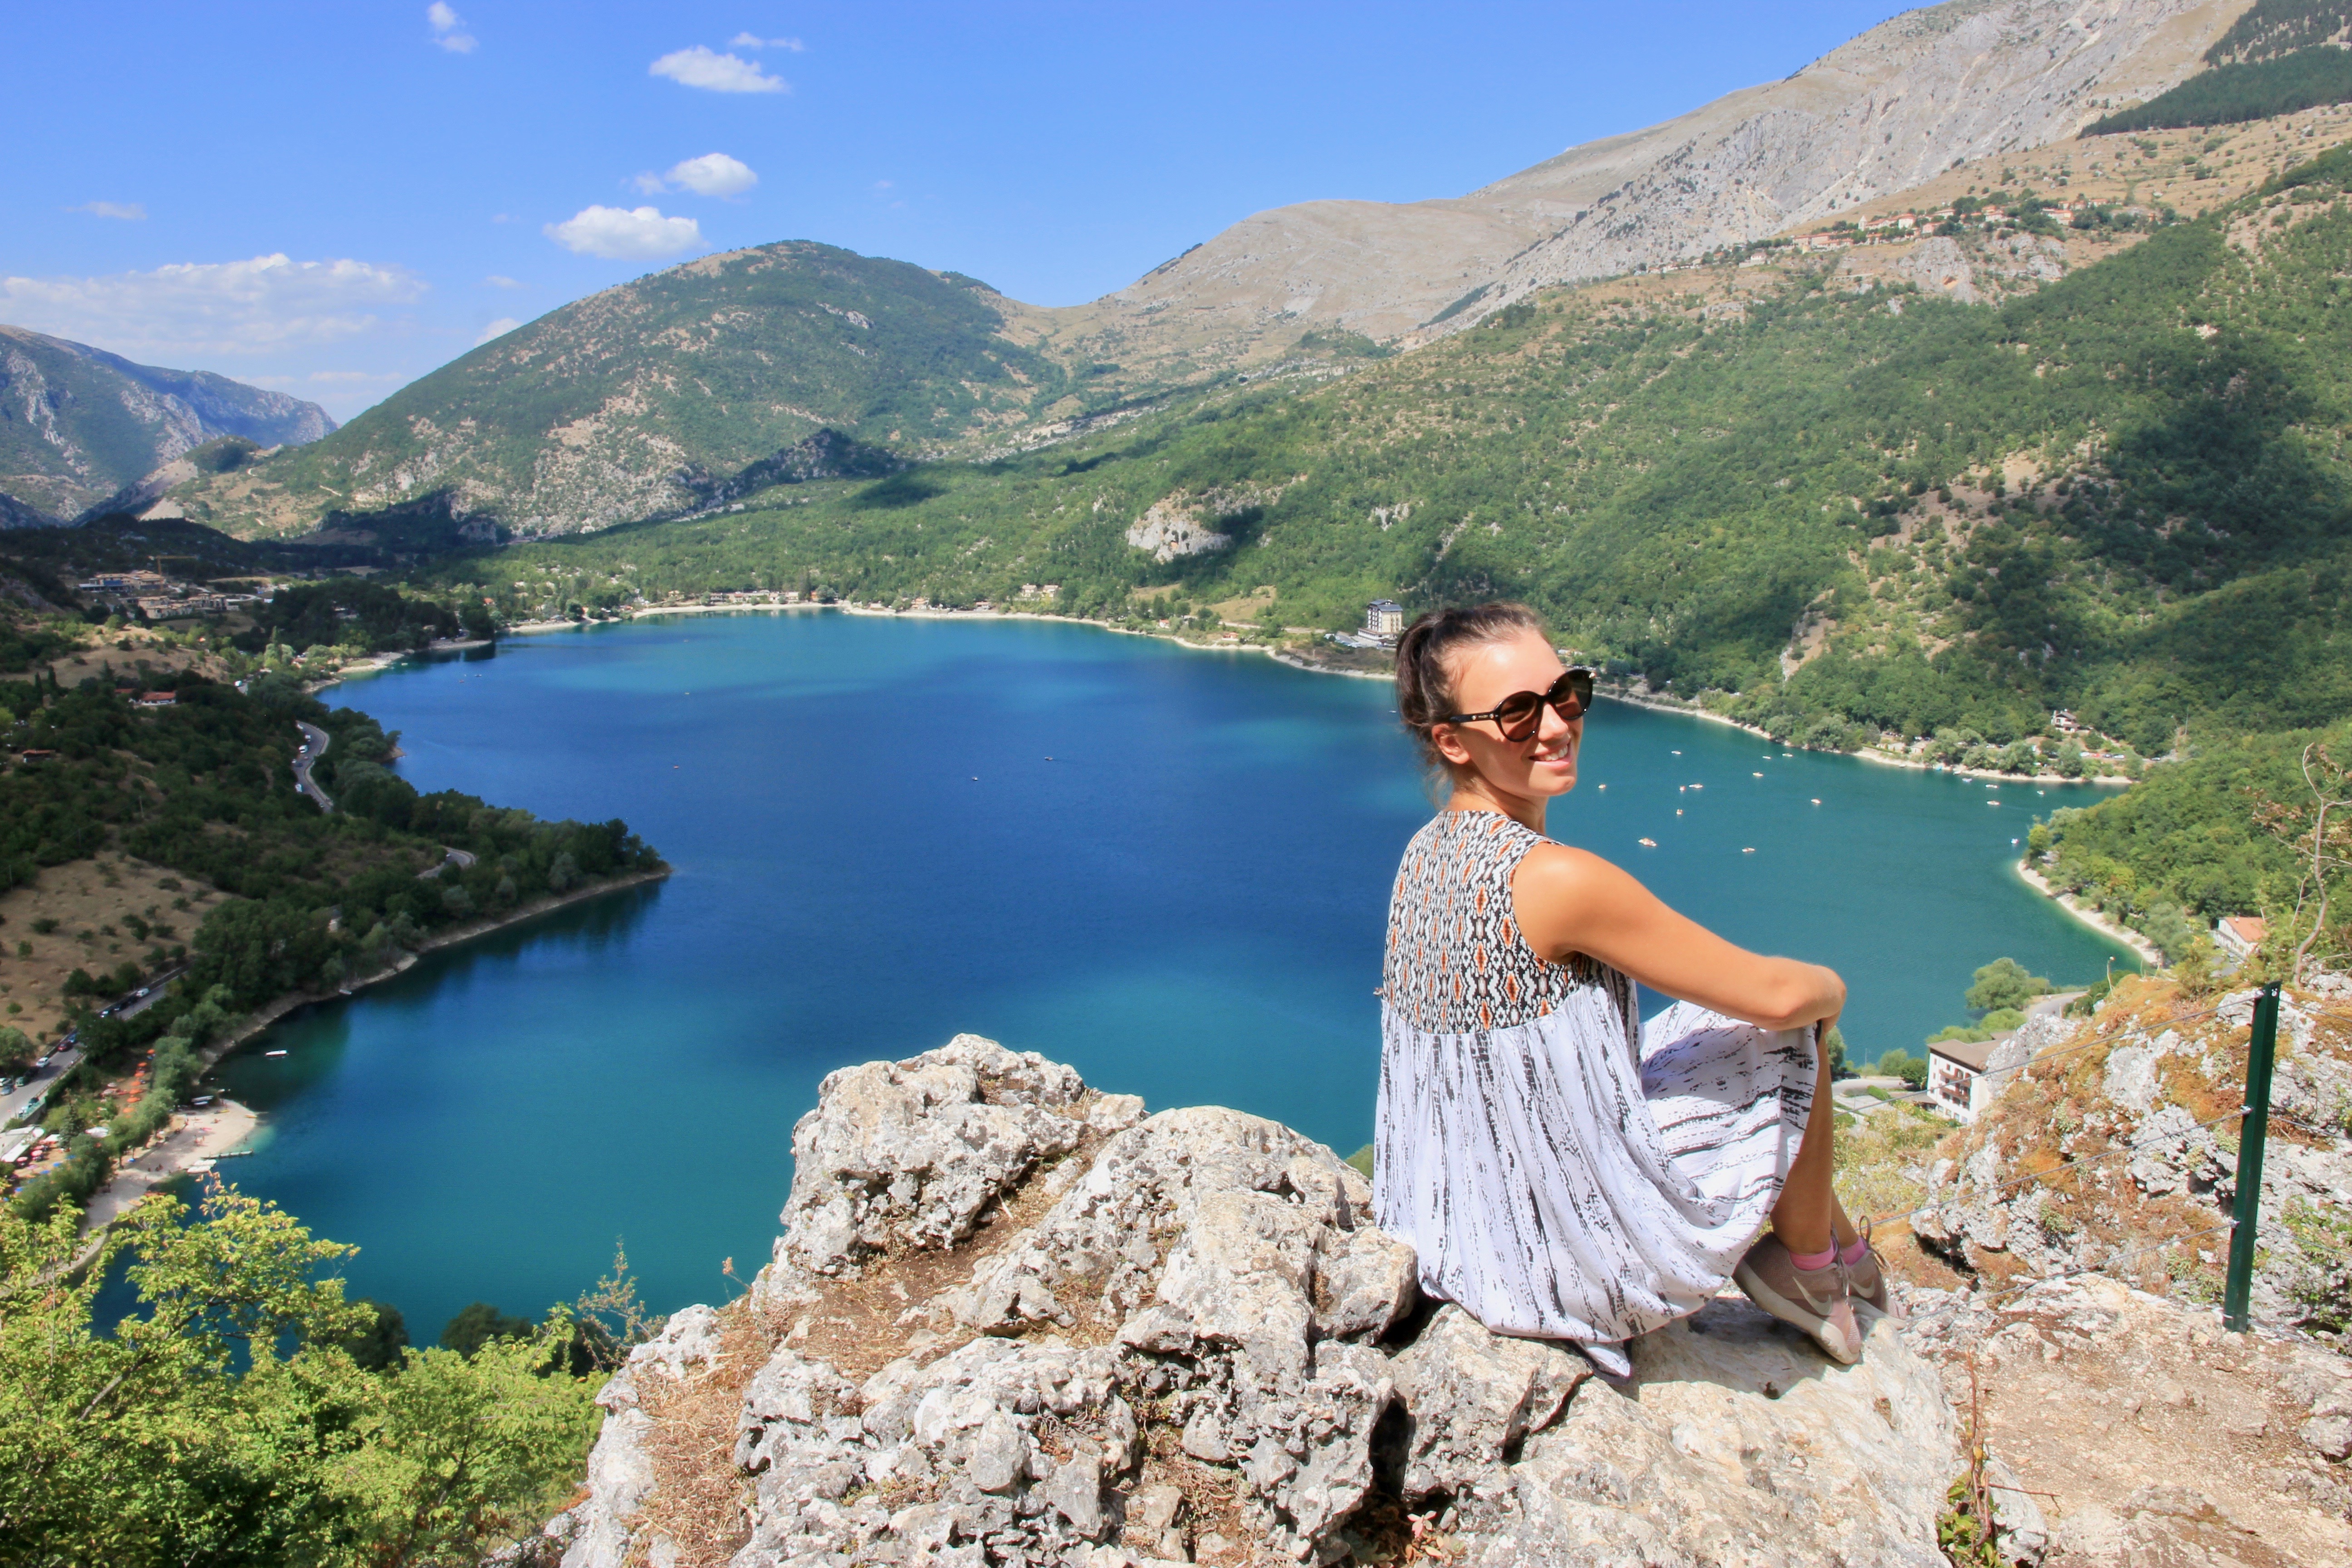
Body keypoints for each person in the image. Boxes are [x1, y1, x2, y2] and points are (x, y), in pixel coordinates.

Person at [1372, 602, 1890, 1375]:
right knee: (1791, 1021)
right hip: (1569, 1267)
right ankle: (1814, 1268)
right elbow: (1778, 998)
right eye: (1517, 713)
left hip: (1456, 1235)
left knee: (1712, 1020)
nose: (1554, 725)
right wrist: (1833, 987)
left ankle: (1831, 1247)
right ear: (1452, 740)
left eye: (1566, 693)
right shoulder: (1554, 879)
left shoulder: (1426, 853)